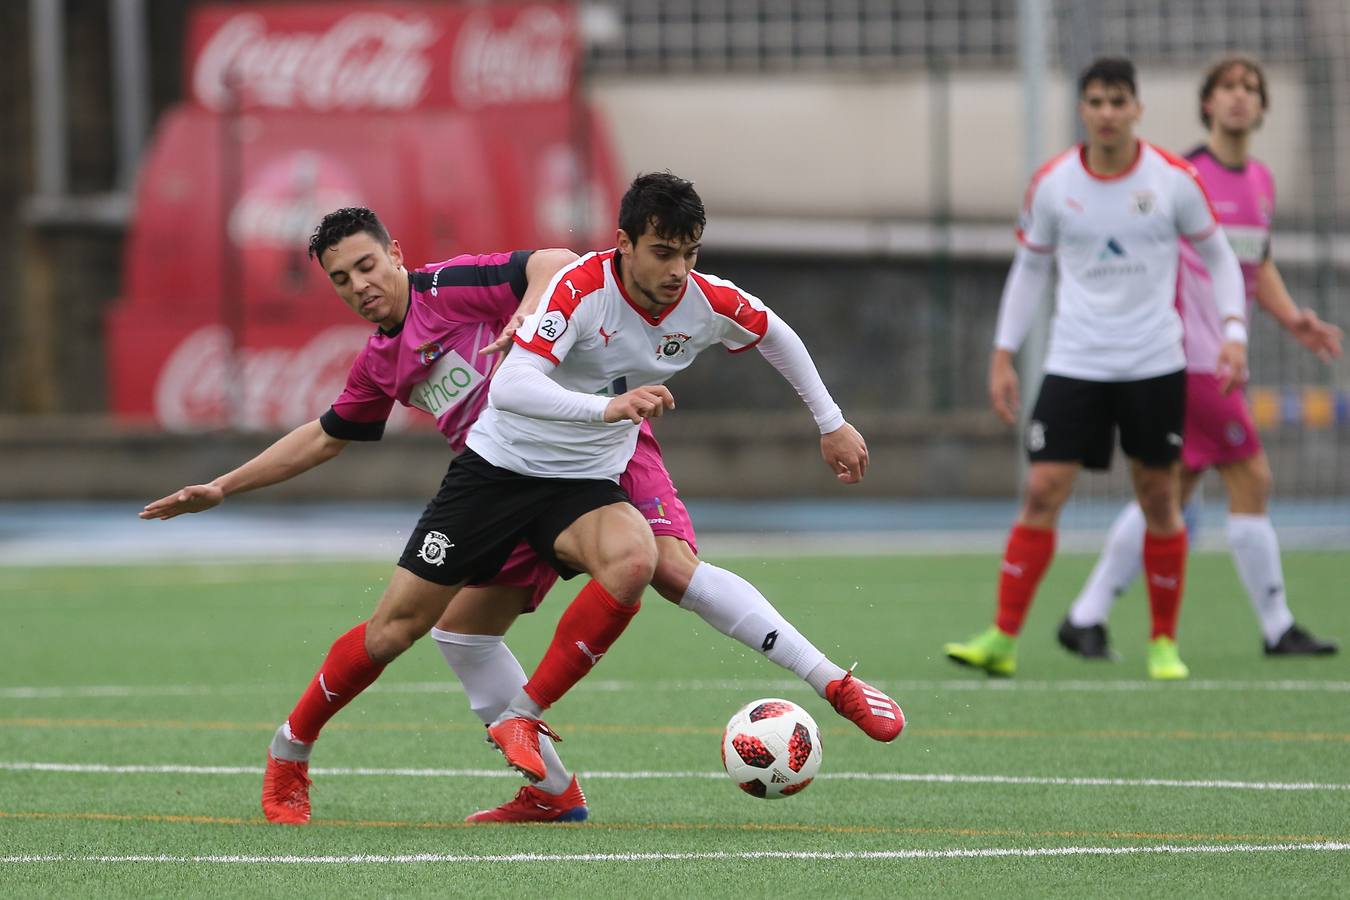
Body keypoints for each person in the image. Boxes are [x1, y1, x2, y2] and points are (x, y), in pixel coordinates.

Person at [141, 185, 900, 826]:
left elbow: (554, 265)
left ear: (397, 254)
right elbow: (327, 435)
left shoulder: (456, 287)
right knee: (413, 631)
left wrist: (531, 318)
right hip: (495, 478)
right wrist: (223, 487)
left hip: (596, 461)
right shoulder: (380, 361)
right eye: (342, 279)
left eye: (368, 264)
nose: (360, 284)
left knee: (653, 562)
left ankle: (830, 680)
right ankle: (296, 751)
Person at [942, 57, 1249, 680]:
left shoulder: (1173, 180)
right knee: (1041, 489)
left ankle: (1164, 643)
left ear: (1137, 108)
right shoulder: (1054, 185)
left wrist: (1234, 333)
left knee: (1159, 496)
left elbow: (1219, 259)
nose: (1107, 113)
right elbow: (1029, 270)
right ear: (1082, 110)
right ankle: (1002, 640)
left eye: (1119, 101)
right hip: (1075, 361)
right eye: (1096, 102)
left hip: (1154, 363)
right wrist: (1003, 353)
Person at [1057, 55, 1341, 661]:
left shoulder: (1260, 180)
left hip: (1218, 357)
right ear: (1206, 103)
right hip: (1184, 359)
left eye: (1251, 89)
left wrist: (1292, 319)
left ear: (1263, 108)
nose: (1240, 98)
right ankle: (1276, 626)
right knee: (1251, 478)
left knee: (1173, 491)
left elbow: (1250, 262)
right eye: (1227, 88)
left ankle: (1087, 615)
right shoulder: (1183, 177)